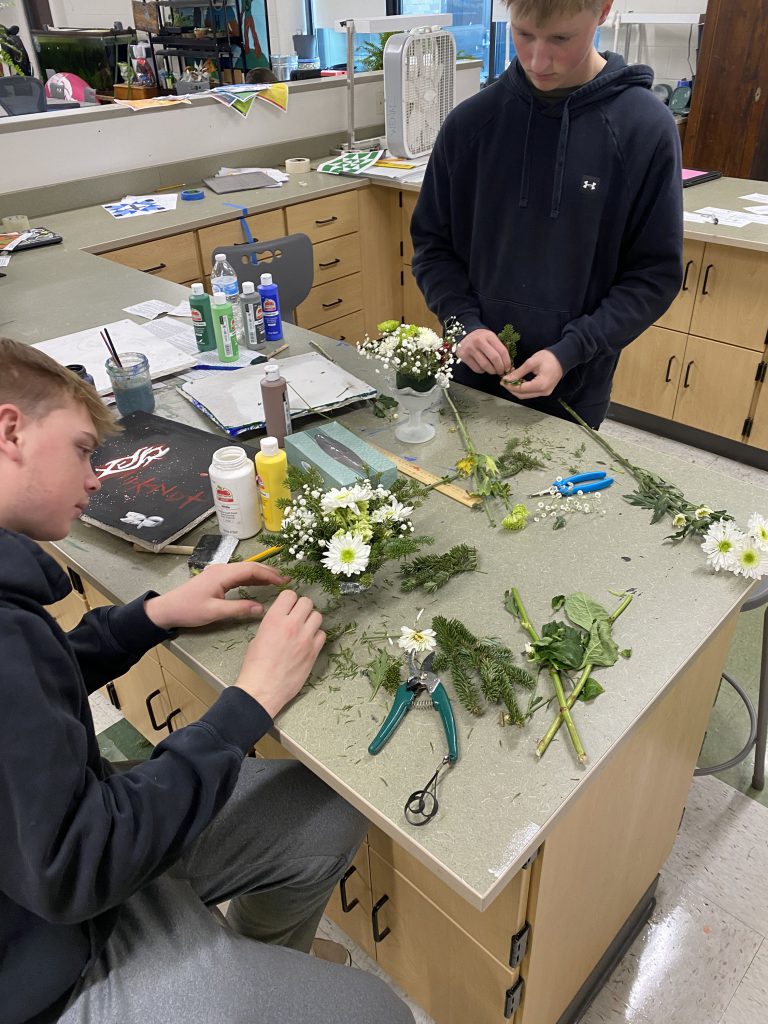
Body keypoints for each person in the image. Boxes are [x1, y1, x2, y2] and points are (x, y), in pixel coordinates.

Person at [0, 338, 414, 1024]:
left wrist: (151, 616)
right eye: (81, 449)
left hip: (56, 882)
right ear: (10, 431)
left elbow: (29, 699)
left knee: (325, 808)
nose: (97, 476)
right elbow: (77, 864)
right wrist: (245, 705)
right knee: (379, 1014)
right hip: (44, 968)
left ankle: (253, 963)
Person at [411, 0, 683, 428]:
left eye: (560, 38)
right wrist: (461, 321)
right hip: (469, 375)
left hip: (575, 384)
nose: (538, 60)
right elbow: (432, 246)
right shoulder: (471, 123)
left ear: (603, 11)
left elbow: (653, 276)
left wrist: (571, 350)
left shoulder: (644, 127)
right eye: (523, 34)